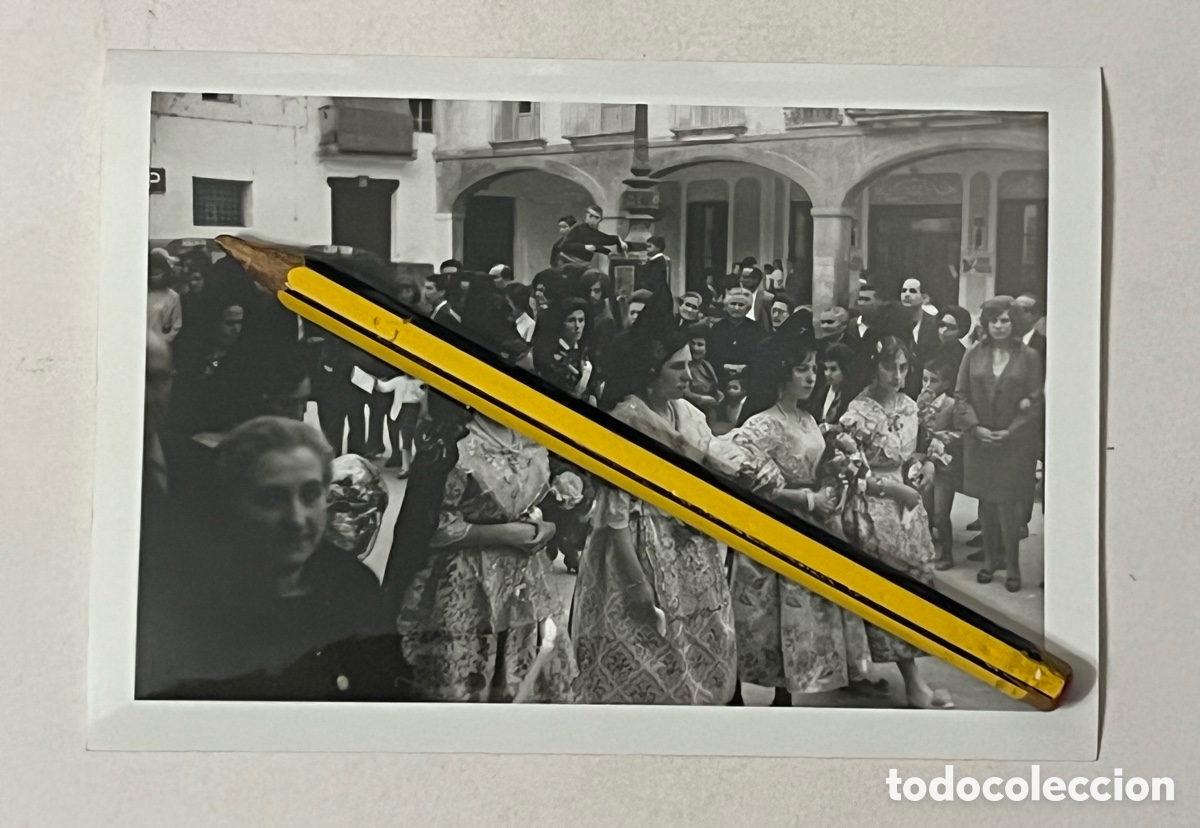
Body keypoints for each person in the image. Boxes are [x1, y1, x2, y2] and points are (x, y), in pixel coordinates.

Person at [139, 417, 417, 701]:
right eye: (272, 499)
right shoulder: (188, 605)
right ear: (231, 503)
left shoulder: (354, 585)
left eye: (310, 496)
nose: (296, 520)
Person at [572, 287, 744, 704]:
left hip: (690, 550)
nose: (688, 375)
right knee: (643, 649)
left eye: (689, 365)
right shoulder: (628, 420)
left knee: (695, 649)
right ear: (651, 371)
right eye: (677, 367)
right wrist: (635, 585)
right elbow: (613, 518)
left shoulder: (689, 414)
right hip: (638, 548)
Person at [724, 328, 873, 707]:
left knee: (799, 613)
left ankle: (785, 691)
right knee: (762, 614)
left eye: (814, 369)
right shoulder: (761, 424)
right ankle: (738, 689)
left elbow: (816, 464)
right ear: (781, 373)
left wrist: (836, 477)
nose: (811, 377)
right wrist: (808, 499)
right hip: (775, 525)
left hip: (814, 521)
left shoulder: (807, 418)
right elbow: (751, 482)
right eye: (802, 369)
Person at [395, 413, 577, 701]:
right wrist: (508, 534)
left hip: (525, 582)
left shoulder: (533, 432)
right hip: (466, 583)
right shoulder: (453, 442)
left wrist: (546, 527)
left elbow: (545, 503)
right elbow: (431, 526)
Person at [837, 319, 955, 709]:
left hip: (907, 506)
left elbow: (916, 450)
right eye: (890, 366)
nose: (899, 375)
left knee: (919, 580)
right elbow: (850, 474)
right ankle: (913, 683)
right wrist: (894, 489)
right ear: (873, 366)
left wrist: (927, 466)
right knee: (890, 589)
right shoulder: (857, 412)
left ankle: (864, 670)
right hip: (873, 507)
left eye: (904, 367)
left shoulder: (908, 406)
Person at [954, 296, 1044, 592]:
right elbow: (961, 395)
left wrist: (1011, 431)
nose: (999, 326)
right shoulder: (973, 354)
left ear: (1014, 322)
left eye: (1005, 320)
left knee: (1008, 506)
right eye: (994, 320)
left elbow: (1035, 400)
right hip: (979, 442)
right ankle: (990, 562)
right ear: (986, 323)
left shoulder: (1029, 356)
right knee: (986, 505)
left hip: (1013, 444)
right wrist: (976, 428)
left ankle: (1013, 567)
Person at [917, 358, 962, 571]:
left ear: (945, 383)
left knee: (941, 513)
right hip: (925, 461)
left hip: (945, 465)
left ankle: (947, 553)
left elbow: (962, 433)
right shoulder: (920, 403)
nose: (927, 385)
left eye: (933, 380)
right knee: (925, 508)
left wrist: (946, 437)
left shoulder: (951, 405)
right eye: (924, 379)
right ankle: (926, 547)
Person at [706, 287, 766, 385]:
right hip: (720, 377)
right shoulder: (718, 328)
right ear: (726, 306)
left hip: (748, 378)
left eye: (741, 305)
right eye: (733, 304)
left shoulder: (756, 329)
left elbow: (760, 355)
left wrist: (746, 368)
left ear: (748, 308)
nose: (736, 308)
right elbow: (711, 353)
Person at [899, 278, 940, 399]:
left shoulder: (934, 323)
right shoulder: (894, 322)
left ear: (924, 297)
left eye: (912, 291)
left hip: (924, 388)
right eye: (904, 290)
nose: (907, 294)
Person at [557, 204, 628, 267]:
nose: (595, 220)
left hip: (582, 265)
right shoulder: (579, 229)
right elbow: (564, 245)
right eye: (592, 216)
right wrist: (584, 247)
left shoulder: (591, 230)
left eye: (598, 219)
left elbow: (599, 240)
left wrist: (609, 251)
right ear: (587, 216)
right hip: (569, 263)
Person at [682, 323, 722, 417]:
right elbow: (684, 392)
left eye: (700, 345)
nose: (695, 348)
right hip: (690, 413)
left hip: (709, 413)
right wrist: (702, 399)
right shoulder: (684, 366)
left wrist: (719, 395)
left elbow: (714, 387)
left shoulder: (706, 365)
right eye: (692, 344)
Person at [816, 342, 857, 428]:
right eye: (826, 369)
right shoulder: (821, 389)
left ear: (845, 369)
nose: (827, 374)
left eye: (833, 369)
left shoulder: (853, 396)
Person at [147, 249, 183, 343]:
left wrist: (165, 340)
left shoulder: (173, 296)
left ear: (165, 274)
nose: (153, 277)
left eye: (156, 274)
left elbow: (177, 324)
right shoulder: (143, 293)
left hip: (160, 341)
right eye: (151, 274)